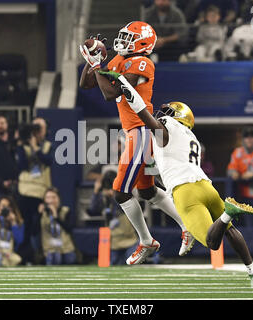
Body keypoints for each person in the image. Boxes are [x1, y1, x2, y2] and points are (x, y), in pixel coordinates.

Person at [97, 70, 253, 289]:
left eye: (166, 112)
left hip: (186, 192)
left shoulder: (165, 129)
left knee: (211, 242)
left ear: (175, 116)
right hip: (206, 186)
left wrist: (124, 86)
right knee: (231, 231)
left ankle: (227, 213)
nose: (160, 113)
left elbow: (141, 112)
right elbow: (161, 164)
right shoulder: (190, 136)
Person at [79, 22, 195, 265]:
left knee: (120, 192)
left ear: (142, 43)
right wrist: (91, 62)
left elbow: (111, 93)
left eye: (128, 37)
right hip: (135, 131)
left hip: (141, 131)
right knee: (147, 190)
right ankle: (187, 225)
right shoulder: (121, 60)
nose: (122, 40)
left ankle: (146, 240)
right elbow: (87, 84)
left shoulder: (143, 62)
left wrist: (99, 65)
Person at [16, 117, 53, 264]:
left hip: (41, 192)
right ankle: (25, 256)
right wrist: (24, 143)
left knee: (38, 226)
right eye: (35, 127)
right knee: (24, 226)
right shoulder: (22, 146)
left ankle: (40, 256)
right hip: (25, 192)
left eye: (40, 128)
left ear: (45, 130)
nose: (37, 131)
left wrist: (35, 147)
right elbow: (22, 166)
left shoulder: (48, 145)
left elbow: (48, 161)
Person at [87, 170, 139, 265]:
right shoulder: (103, 198)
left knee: (132, 263)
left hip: (130, 240)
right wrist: (95, 192)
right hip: (113, 242)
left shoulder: (126, 193)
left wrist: (115, 196)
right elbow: (93, 211)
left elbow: (124, 207)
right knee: (114, 265)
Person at [39, 187, 77, 265]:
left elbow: (69, 228)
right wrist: (38, 215)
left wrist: (56, 217)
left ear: (59, 199)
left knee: (70, 260)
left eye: (54, 197)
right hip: (50, 249)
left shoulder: (66, 211)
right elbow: (33, 232)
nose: (51, 201)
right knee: (55, 259)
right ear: (44, 200)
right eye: (48, 198)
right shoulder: (41, 214)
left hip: (66, 248)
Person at [0, 195, 24, 266]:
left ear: (12, 208)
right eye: (3, 206)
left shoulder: (18, 221)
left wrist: (13, 223)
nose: (5, 209)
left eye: (8, 206)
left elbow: (19, 241)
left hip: (11, 252)